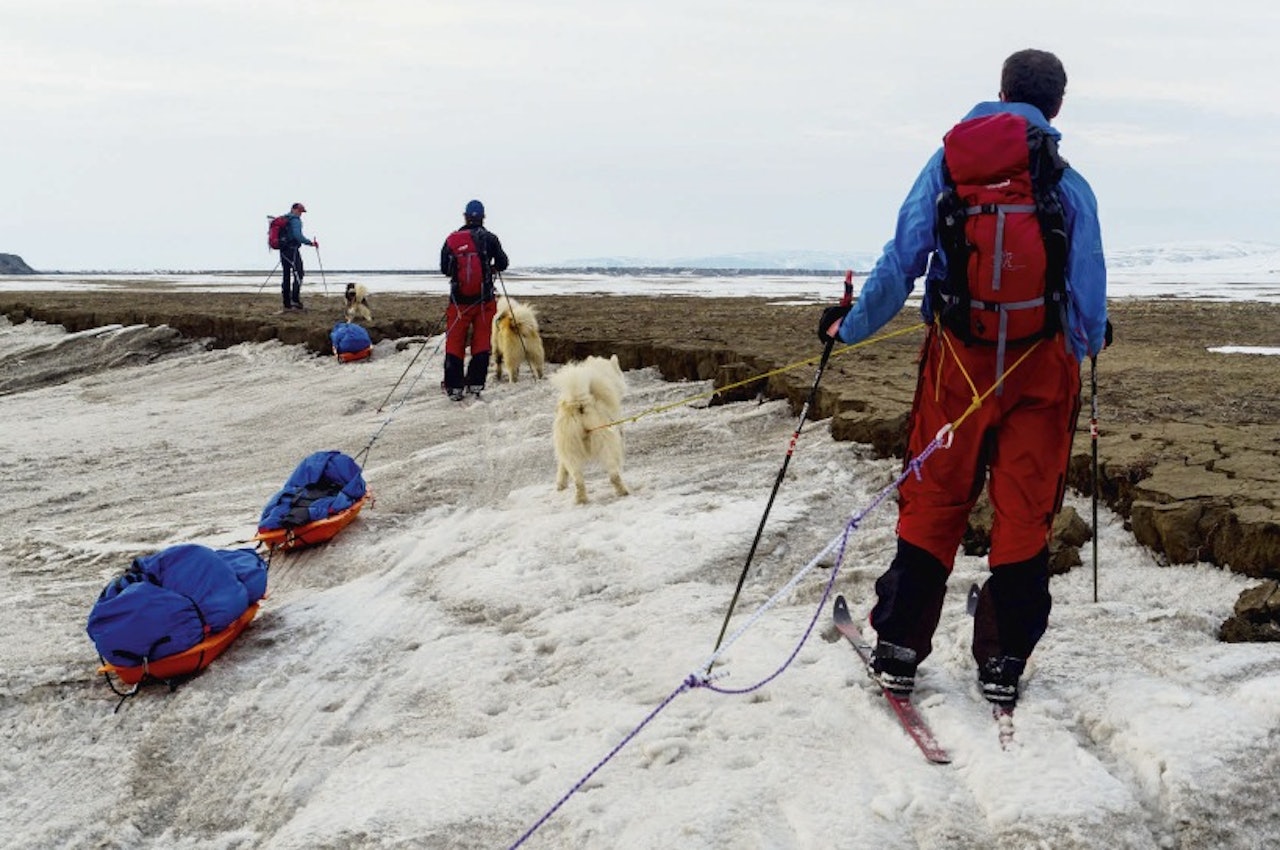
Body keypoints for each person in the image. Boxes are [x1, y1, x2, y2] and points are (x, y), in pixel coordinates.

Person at [820, 49, 1107, 708]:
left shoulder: (948, 165)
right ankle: (1003, 659)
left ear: (1001, 92)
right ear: (1056, 105)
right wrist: (1089, 340)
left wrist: (849, 327)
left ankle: (897, 646)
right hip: (1041, 371)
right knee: (1024, 513)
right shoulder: (1068, 182)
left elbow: (902, 259)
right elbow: (1088, 286)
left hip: (957, 365)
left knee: (935, 499)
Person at [439, 199, 509, 400]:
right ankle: (476, 383)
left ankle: (454, 388)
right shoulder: (490, 238)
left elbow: (445, 269)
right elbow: (504, 262)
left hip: (458, 303)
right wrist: (491, 268)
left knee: (455, 342)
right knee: (481, 342)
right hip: (484, 301)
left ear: (465, 216)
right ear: (483, 217)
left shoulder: (452, 240)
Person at [279, 203, 318, 311]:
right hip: (292, 250)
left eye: (302, 212)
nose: (300, 214)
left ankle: (287, 303)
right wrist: (310, 243)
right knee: (299, 273)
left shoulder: (284, 219)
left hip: (283, 250)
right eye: (300, 211)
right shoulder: (295, 220)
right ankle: (295, 301)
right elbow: (298, 235)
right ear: (294, 209)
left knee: (286, 275)